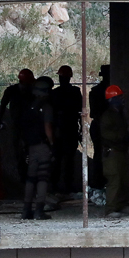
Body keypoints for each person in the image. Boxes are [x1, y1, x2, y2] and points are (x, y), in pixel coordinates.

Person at [98, 84, 129, 217]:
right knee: (115, 180)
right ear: (112, 99)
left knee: (127, 179)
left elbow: (122, 132)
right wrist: (123, 137)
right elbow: (107, 134)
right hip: (112, 153)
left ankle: (121, 205)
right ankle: (111, 209)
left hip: (122, 152)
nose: (122, 100)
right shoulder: (107, 116)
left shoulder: (119, 114)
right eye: (119, 97)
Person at [20, 76, 56, 220]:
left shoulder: (28, 107)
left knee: (30, 178)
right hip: (42, 147)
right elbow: (48, 127)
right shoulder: (46, 107)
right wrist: (52, 144)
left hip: (31, 147)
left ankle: (26, 210)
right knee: (42, 178)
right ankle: (39, 211)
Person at [50, 65, 83, 198]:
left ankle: (58, 186)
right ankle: (64, 186)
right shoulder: (74, 92)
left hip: (64, 129)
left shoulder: (56, 93)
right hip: (68, 129)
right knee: (65, 159)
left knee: (60, 159)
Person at [0, 69, 36, 177]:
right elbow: (3, 105)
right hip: (19, 124)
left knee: (26, 149)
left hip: (27, 124)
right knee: (18, 149)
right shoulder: (14, 91)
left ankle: (26, 171)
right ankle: (23, 172)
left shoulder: (27, 91)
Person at [87, 65, 111, 189]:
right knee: (104, 154)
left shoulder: (95, 91)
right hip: (104, 125)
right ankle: (101, 181)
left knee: (99, 154)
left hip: (98, 125)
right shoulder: (109, 91)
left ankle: (98, 182)